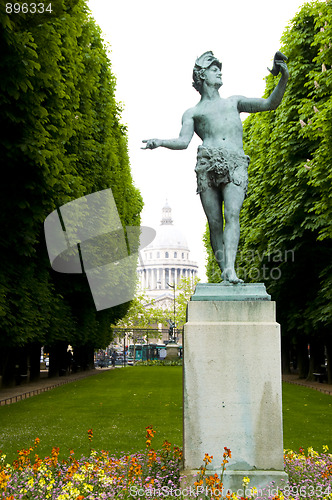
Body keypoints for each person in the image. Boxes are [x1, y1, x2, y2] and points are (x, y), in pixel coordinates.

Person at [142, 51, 289, 284]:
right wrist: (160, 141)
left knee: (232, 214)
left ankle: (230, 269)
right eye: (213, 69)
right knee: (214, 223)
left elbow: (270, 104)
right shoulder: (193, 112)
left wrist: (283, 77)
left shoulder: (234, 102)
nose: (219, 72)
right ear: (202, 76)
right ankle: (224, 269)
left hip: (234, 162)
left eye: (218, 68)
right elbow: (183, 142)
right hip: (207, 164)